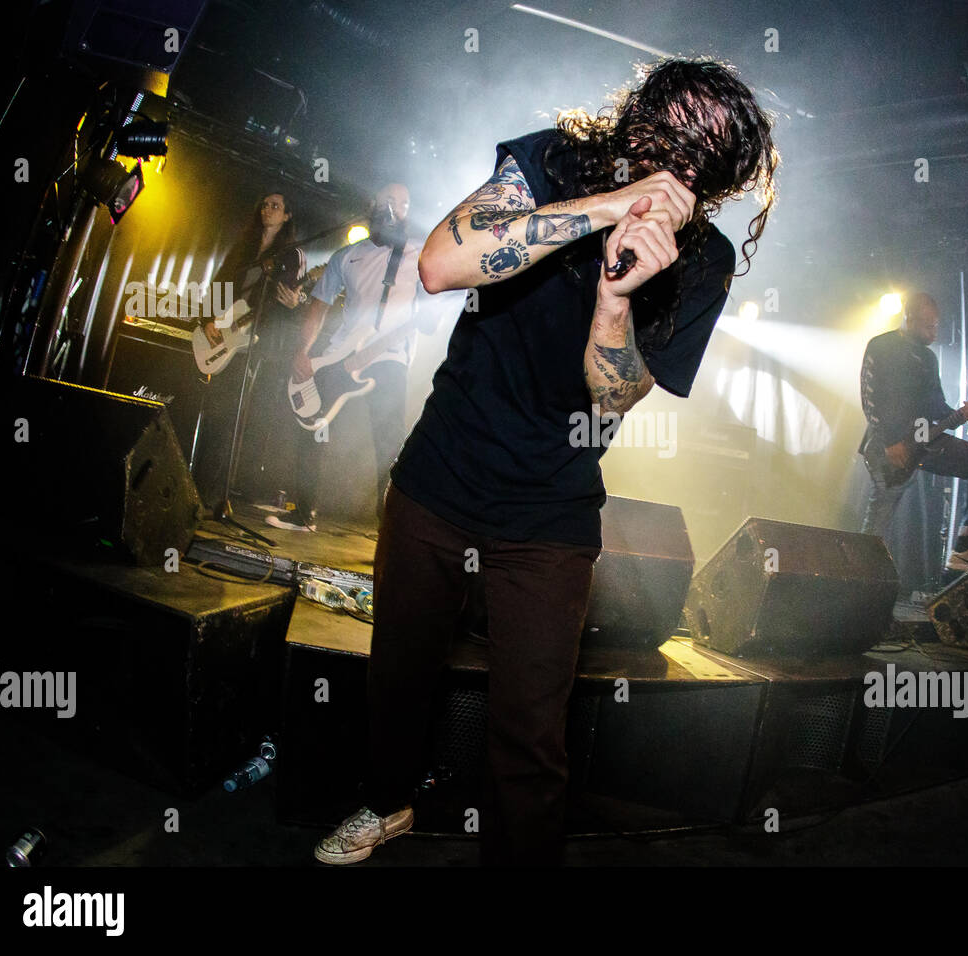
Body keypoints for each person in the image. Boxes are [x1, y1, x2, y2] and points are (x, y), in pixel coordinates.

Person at [313, 57, 778, 866]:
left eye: (704, 155)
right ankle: (386, 806)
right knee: (399, 669)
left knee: (531, 728)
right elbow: (437, 265)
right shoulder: (554, 160)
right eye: (673, 133)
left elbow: (612, 400)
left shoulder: (703, 261)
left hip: (552, 506)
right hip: (443, 466)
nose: (680, 161)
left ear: (723, 181)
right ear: (642, 115)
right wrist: (606, 208)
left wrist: (615, 296)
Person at [268, 183, 427, 532]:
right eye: (389, 200)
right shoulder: (347, 255)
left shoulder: (419, 253)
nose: (395, 209)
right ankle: (303, 514)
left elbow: (426, 316)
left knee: (388, 442)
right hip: (340, 352)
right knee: (312, 424)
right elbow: (318, 305)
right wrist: (304, 350)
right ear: (372, 204)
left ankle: (389, 527)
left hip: (388, 357)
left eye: (403, 203)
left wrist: (370, 353)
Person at [858, 292, 968, 572]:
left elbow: (935, 406)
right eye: (928, 326)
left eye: (936, 325)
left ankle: (965, 550)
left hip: (924, 443)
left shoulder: (928, 359)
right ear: (909, 319)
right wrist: (889, 442)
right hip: (886, 447)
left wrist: (960, 415)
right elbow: (869, 397)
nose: (934, 332)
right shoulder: (881, 346)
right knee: (878, 521)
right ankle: (855, 571)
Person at [193, 191, 306, 512]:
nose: (267, 209)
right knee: (213, 413)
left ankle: (215, 495)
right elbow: (220, 283)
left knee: (233, 416)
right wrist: (209, 320)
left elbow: (284, 305)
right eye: (265, 204)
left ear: (287, 217)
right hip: (225, 333)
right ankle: (195, 484)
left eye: (276, 206)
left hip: (256, 343)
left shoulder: (290, 255)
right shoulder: (245, 247)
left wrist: (297, 304)